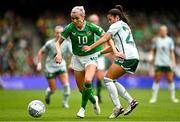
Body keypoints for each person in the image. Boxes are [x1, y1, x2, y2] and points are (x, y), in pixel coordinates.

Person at [83, 5, 139, 118]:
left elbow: (105, 38)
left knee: (107, 79)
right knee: (111, 80)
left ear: (117, 17)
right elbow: (113, 47)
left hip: (127, 57)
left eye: (110, 19)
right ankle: (131, 101)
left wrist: (90, 47)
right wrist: (98, 53)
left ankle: (118, 107)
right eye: (108, 20)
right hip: (133, 57)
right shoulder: (125, 26)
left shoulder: (116, 25)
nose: (109, 22)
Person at [55, 6, 104, 118]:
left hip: (91, 57)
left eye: (77, 18)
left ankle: (82, 109)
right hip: (77, 58)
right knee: (82, 89)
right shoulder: (70, 28)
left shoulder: (91, 27)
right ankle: (94, 99)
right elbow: (58, 43)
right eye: (72, 18)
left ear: (83, 16)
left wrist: (93, 47)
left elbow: (105, 36)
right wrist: (59, 53)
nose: (74, 21)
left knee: (88, 80)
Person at [37, 26, 71, 108]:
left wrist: (71, 63)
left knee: (66, 86)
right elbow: (41, 52)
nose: (59, 34)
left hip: (61, 66)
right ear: (54, 33)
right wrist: (39, 63)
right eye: (57, 32)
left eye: (61, 33)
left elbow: (73, 54)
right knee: (53, 90)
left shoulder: (67, 43)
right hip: (50, 68)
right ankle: (48, 94)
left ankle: (65, 102)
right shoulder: (50, 43)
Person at [149, 25, 179, 103]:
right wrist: (151, 56)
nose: (162, 31)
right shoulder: (156, 40)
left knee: (170, 79)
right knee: (157, 79)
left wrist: (174, 61)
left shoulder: (170, 40)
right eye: (161, 30)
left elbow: (172, 52)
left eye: (164, 30)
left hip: (168, 63)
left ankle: (173, 97)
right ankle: (153, 98)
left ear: (166, 31)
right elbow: (152, 50)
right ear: (160, 31)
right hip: (158, 63)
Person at [87, 14, 106, 103]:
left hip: (100, 58)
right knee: (90, 78)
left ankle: (98, 94)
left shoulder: (100, 31)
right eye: (92, 21)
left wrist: (106, 50)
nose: (94, 22)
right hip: (89, 57)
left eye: (96, 21)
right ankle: (91, 95)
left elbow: (106, 41)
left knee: (99, 78)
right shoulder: (86, 31)